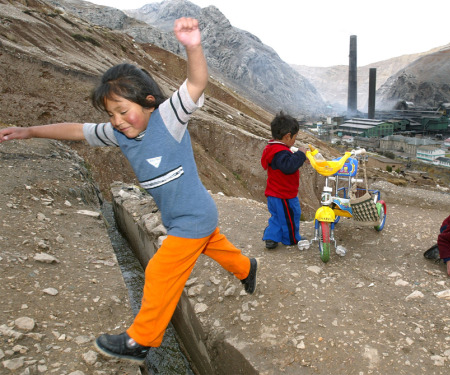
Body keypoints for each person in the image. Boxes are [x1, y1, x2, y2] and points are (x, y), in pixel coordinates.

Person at [0, 17, 259, 364]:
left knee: (158, 271)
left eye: (123, 110)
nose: (118, 120)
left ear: (149, 101)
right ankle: (247, 269)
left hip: (193, 216)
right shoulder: (119, 134)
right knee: (215, 246)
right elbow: (77, 130)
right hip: (181, 217)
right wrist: (30, 131)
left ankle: (142, 340)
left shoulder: (169, 119)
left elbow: (197, 81)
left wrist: (192, 45)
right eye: (111, 114)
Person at [261, 112, 307, 249]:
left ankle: (271, 237)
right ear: (287, 136)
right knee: (291, 217)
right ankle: (292, 238)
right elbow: (289, 167)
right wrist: (300, 154)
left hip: (273, 194)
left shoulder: (272, 148)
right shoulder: (280, 152)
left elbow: (286, 162)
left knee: (276, 217)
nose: (294, 140)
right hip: (284, 195)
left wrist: (298, 157)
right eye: (294, 137)